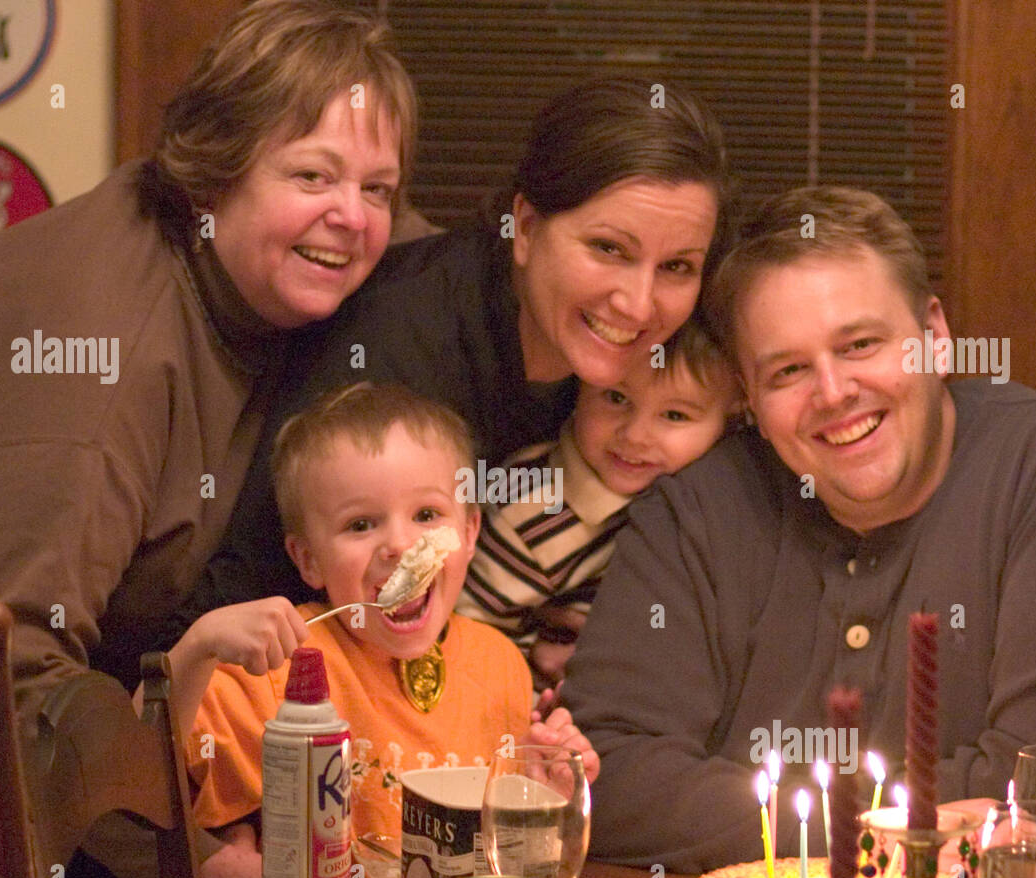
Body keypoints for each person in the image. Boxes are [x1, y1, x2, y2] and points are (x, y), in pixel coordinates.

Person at [0, 0, 415, 878]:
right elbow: (18, 679)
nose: (355, 217)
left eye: (378, 186)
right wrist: (193, 873)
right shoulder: (91, 359)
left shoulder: (250, 265)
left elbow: (426, 256)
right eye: (313, 175)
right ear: (218, 169)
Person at [567, 185, 1036, 871]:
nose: (834, 391)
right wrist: (903, 831)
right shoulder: (698, 505)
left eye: (860, 345)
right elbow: (604, 777)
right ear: (749, 399)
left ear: (934, 337)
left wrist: (737, 813)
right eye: (788, 370)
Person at [160, 78, 735, 653]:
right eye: (609, 249)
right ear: (527, 229)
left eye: (677, 267)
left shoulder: (639, 370)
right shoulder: (396, 353)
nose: (638, 304)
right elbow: (252, 603)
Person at [163, 383, 598, 878]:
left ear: (468, 533)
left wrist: (546, 794)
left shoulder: (501, 666)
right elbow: (137, 770)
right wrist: (194, 651)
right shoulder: (281, 662)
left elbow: (513, 870)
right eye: (361, 525)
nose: (398, 543)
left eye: (425, 514)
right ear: (309, 559)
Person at [456, 318, 738, 688]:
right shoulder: (531, 510)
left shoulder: (712, 501)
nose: (635, 435)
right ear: (580, 388)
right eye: (616, 398)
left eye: (674, 415)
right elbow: (469, 641)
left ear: (731, 420)